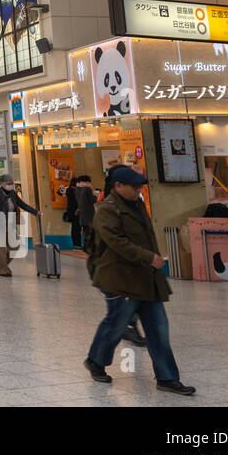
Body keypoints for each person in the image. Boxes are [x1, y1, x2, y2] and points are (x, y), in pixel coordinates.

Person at [83, 165, 194, 395]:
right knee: (115, 325)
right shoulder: (107, 209)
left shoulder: (137, 205)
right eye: (134, 187)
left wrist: (152, 260)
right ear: (118, 186)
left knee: (159, 329)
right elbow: (116, 241)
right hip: (119, 279)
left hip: (146, 279)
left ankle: (167, 377)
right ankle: (96, 361)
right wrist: (148, 257)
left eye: (139, 187)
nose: (138, 191)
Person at [0, 176, 39, 277]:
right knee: (1, 248)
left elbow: (22, 204)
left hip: (11, 223)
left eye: (12, 183)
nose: (11, 185)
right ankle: (2, 270)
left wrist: (35, 212)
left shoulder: (12, 194)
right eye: (9, 183)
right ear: (2, 184)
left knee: (15, 246)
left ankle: (2, 265)